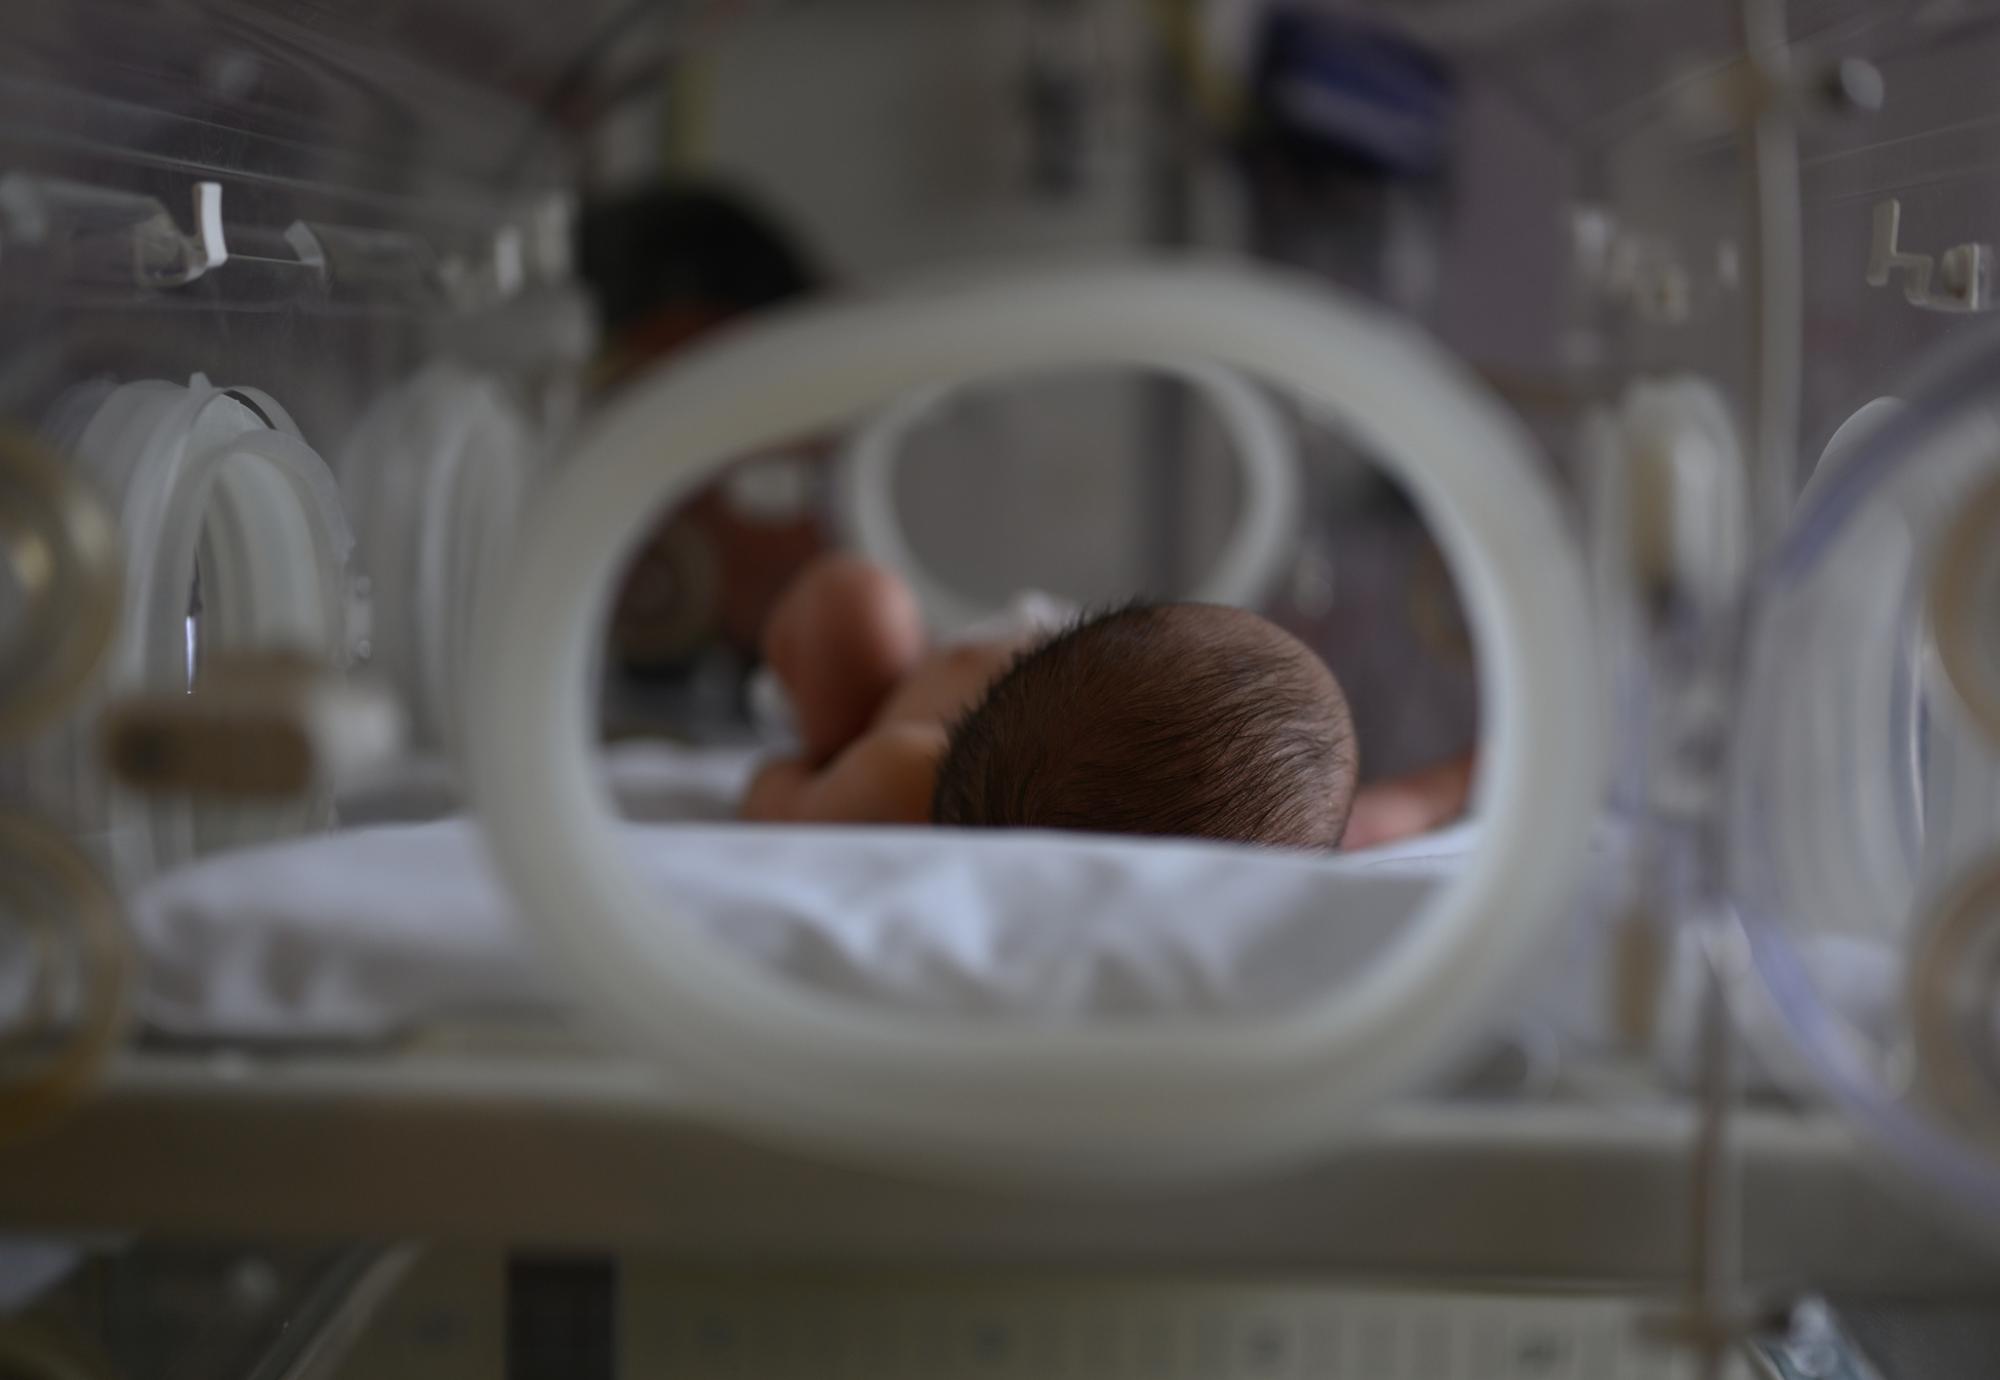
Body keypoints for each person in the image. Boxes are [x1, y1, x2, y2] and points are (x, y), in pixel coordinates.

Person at [742, 555, 1359, 849]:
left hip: (874, 702)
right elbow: (1386, 813)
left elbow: (771, 801)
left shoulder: (904, 775)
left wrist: (811, 774)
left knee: (856, 603)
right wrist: (1444, 786)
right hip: (988, 669)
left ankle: (826, 735)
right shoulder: (1285, 823)